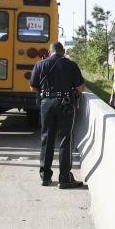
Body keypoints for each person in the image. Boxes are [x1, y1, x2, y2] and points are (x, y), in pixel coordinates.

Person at [30, 42, 85, 189]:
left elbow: (32, 87)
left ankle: (45, 177)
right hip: (65, 104)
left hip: (46, 104)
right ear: (63, 51)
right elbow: (80, 87)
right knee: (65, 140)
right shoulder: (71, 64)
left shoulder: (39, 64)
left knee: (46, 139)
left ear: (50, 52)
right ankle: (65, 179)